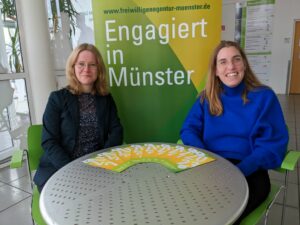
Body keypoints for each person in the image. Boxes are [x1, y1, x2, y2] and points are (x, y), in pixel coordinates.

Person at [180, 40, 289, 224]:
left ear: (244, 64)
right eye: (223, 62)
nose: (231, 66)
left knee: (221, 217)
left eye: (236, 59)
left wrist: (237, 171)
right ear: (215, 70)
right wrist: (208, 160)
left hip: (249, 171)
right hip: (211, 168)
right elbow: (189, 129)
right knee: (188, 210)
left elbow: (272, 146)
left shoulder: (264, 97)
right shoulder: (207, 98)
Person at [34, 43, 123, 192]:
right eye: (81, 64)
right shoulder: (57, 99)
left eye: (92, 65)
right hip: (60, 167)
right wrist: (73, 169)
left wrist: (102, 161)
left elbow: (116, 131)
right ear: (73, 67)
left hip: (96, 167)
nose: (86, 69)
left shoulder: (105, 98)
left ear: (98, 69)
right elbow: (49, 141)